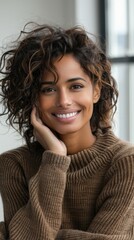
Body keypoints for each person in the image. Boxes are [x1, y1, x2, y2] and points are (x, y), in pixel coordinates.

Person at [0, 23, 134, 240]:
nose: (63, 101)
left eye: (76, 86)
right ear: (33, 97)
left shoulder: (126, 162)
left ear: (96, 91)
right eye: (49, 89)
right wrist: (54, 159)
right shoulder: (14, 165)